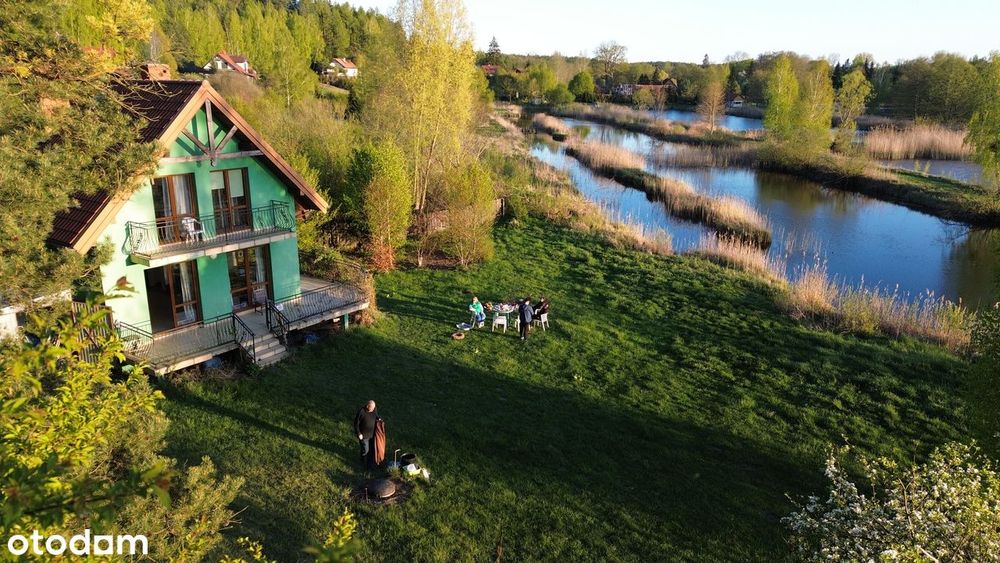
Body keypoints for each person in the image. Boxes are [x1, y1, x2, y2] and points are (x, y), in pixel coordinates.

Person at [353, 400, 380, 470]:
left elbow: (376, 415)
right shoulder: (361, 412)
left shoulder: (374, 409)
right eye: (371, 408)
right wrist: (359, 433)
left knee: (371, 449)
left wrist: (379, 419)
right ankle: (362, 461)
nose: (373, 409)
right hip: (364, 435)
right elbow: (356, 424)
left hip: (372, 434)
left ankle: (369, 464)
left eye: (374, 408)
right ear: (367, 406)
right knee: (365, 449)